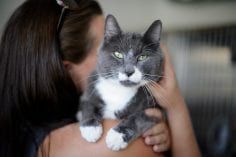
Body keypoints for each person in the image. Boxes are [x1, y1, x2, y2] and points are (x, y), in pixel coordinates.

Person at [0, 0, 172, 157]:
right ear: (65, 69)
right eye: (103, 48)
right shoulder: (107, 142)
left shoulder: (15, 131)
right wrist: (176, 106)